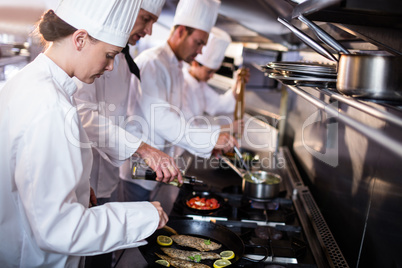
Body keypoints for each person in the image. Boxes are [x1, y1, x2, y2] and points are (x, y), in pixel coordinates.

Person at [0, 0, 170, 267]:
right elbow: (58, 230)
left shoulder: (31, 82)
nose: (111, 66)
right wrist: (144, 216)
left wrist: (77, 186)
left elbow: (28, 173)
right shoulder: (50, 106)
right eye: (110, 55)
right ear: (80, 39)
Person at [119, 0, 239, 202]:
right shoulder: (153, 63)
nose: (200, 51)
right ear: (181, 32)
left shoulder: (175, 68)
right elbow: (162, 119)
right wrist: (209, 139)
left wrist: (210, 141)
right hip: (140, 171)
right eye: (199, 42)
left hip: (160, 167)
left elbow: (181, 117)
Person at [183, 26, 250, 129]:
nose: (211, 76)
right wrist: (229, 127)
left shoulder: (200, 84)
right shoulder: (183, 84)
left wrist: (237, 83)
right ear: (195, 64)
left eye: (214, 72)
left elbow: (219, 105)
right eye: (209, 71)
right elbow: (189, 129)